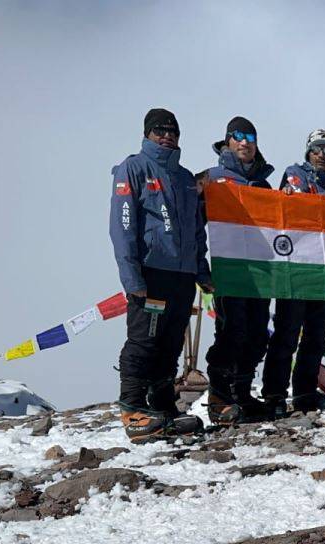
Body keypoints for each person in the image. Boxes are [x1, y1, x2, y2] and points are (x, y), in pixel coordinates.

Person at [110, 108, 212, 443]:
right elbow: (122, 227)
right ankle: (133, 410)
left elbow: (196, 229)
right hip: (150, 273)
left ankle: (164, 407)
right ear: (147, 134)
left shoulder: (184, 178)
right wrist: (131, 276)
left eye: (172, 131)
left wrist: (201, 270)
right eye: (159, 130)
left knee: (170, 344)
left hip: (181, 277)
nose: (167, 136)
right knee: (144, 341)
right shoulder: (133, 168)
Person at [261, 129, 325, 414]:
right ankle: (274, 394)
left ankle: (304, 393)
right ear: (308, 152)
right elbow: (301, 205)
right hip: (296, 271)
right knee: (287, 333)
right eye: (316, 149)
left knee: (316, 337)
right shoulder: (295, 173)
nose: (322, 155)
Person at [200, 115, 277, 423]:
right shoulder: (211, 178)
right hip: (229, 271)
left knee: (258, 334)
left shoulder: (264, 184)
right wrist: (199, 267)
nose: (245, 141)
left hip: (261, 272)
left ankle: (241, 392)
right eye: (238, 135)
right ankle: (219, 397)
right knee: (232, 332)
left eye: (250, 136)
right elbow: (191, 224)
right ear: (227, 140)